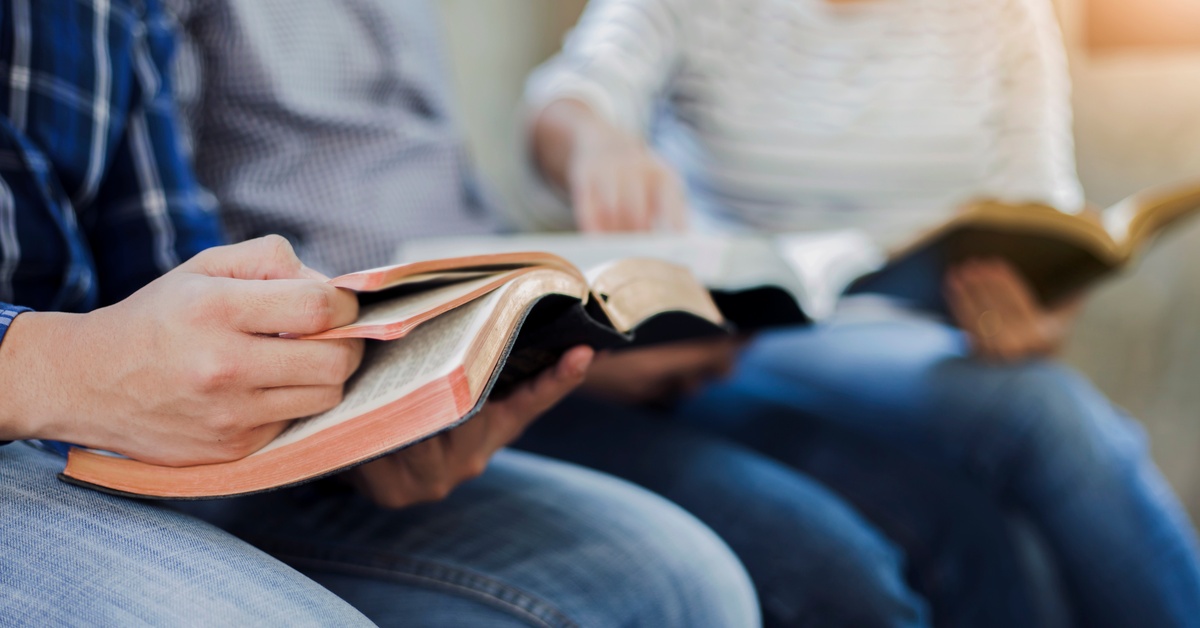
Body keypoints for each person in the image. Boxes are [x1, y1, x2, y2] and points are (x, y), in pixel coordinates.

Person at [168, 1, 1080, 626]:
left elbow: (445, 218)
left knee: (959, 516)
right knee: (946, 488)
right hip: (396, 364)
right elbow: (176, 258)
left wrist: (576, 327)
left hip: (532, 337)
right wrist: (571, 321)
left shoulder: (1002, 21)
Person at [0, 2, 762, 626]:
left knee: (677, 582)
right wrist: (60, 367)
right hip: (31, 425)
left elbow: (160, 266)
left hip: (113, 446)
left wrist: (358, 419)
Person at [520, 0, 1200, 625]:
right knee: (1037, 416)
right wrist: (598, 144)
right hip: (745, 337)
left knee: (1034, 423)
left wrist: (1038, 319)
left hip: (926, 344)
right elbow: (570, 95)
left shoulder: (1003, 16)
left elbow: (1039, 219)